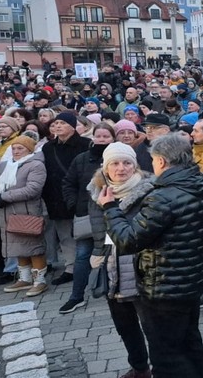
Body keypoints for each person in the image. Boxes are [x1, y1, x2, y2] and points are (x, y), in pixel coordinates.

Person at [101, 133, 203, 377]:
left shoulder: (162, 196)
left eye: (153, 160)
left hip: (164, 288)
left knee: (166, 356)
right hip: (192, 281)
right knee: (190, 343)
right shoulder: (201, 185)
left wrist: (110, 209)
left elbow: (128, 240)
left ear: (162, 162)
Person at [86, 142, 155, 378]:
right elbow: (98, 229)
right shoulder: (98, 192)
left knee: (151, 325)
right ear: (106, 167)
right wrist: (98, 253)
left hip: (141, 266)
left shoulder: (149, 191)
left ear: (135, 166)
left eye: (127, 163)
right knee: (125, 326)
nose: (121, 168)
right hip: (111, 266)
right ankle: (140, 368)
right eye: (115, 163)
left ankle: (161, 367)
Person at [58, 124, 116, 314]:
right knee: (83, 255)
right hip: (87, 217)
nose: (101, 139)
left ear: (112, 138)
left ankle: (112, 290)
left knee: (112, 255)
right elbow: (68, 183)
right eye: (98, 135)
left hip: (113, 217)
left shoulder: (118, 159)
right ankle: (76, 296)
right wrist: (74, 204)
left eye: (106, 136)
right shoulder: (81, 159)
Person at [0, 132, 49, 297]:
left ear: (29, 150)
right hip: (7, 213)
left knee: (33, 246)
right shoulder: (5, 164)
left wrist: (4, 197)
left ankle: (40, 280)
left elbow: (33, 189)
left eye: (20, 148)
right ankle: (24, 278)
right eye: (14, 148)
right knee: (17, 246)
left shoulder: (35, 164)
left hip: (27, 211)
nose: (16, 151)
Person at [42, 111, 91, 286]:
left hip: (82, 196)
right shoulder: (48, 148)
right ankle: (71, 268)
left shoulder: (85, 144)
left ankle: (93, 264)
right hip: (56, 196)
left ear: (72, 126)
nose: (57, 126)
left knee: (88, 232)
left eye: (62, 123)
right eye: (55, 124)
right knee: (65, 236)